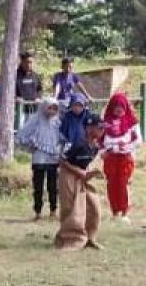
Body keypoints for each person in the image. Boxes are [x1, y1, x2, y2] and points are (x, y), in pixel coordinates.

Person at [56, 113, 104, 250]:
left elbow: (87, 164)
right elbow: (61, 160)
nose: (102, 130)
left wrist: (93, 172)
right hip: (69, 175)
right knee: (71, 209)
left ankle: (90, 238)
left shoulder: (95, 146)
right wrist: (77, 172)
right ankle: (70, 240)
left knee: (94, 208)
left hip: (83, 176)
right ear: (89, 128)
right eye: (99, 127)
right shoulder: (76, 143)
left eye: (103, 127)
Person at [16, 97, 63, 220]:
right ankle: (38, 211)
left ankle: (53, 210)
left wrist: (60, 150)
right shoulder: (35, 120)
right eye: (49, 108)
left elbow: (62, 138)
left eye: (54, 108)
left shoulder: (58, 122)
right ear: (44, 107)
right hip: (39, 158)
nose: (52, 111)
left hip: (53, 157)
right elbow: (22, 135)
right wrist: (32, 144)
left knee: (53, 186)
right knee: (38, 186)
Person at [101, 92, 142, 222]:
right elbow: (99, 140)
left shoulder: (132, 122)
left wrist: (126, 146)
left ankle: (124, 212)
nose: (119, 109)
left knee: (123, 184)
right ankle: (114, 212)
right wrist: (103, 151)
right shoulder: (105, 123)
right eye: (116, 106)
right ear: (112, 107)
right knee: (111, 184)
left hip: (125, 158)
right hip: (110, 159)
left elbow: (139, 141)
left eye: (121, 106)